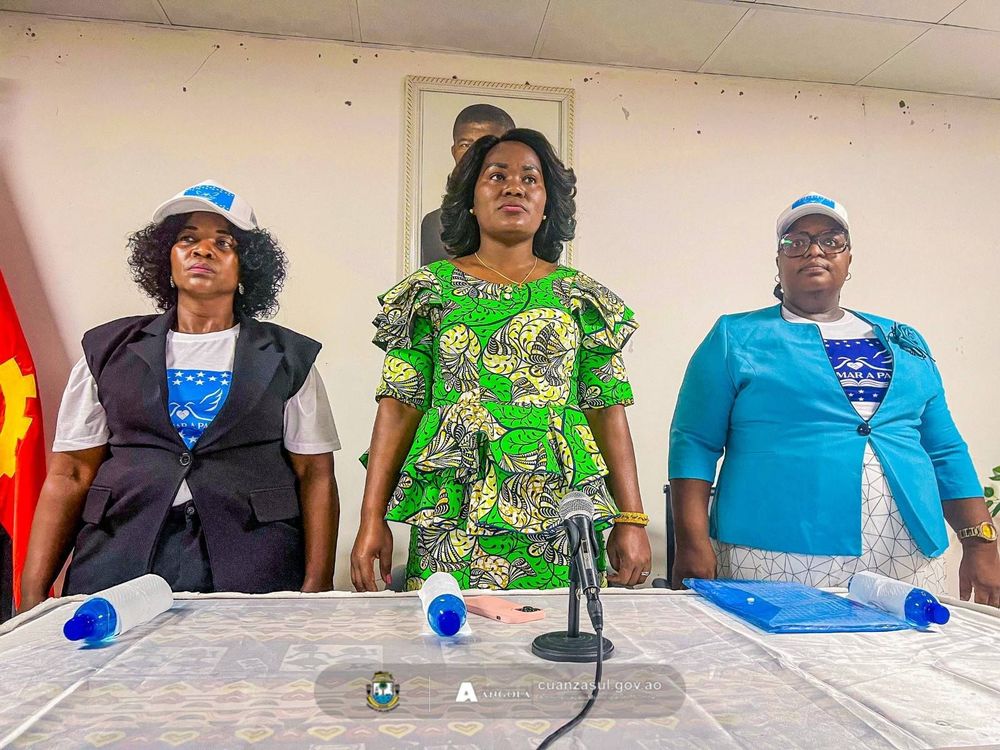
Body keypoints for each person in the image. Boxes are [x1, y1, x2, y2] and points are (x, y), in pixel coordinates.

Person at [353, 129, 651, 592]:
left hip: (560, 512)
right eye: (497, 176)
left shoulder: (580, 296)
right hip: (453, 513)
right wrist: (372, 518)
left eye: (530, 178)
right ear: (471, 200)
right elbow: (399, 408)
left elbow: (606, 408)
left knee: (561, 632)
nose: (515, 187)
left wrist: (630, 518)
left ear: (547, 204)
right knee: (449, 635)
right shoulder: (429, 291)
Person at [19, 180, 341, 609]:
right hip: (119, 556)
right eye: (188, 239)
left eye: (223, 243)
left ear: (247, 268)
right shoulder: (107, 351)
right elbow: (71, 473)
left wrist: (317, 584)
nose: (202, 250)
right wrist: (33, 589)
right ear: (165, 261)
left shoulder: (289, 357)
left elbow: (315, 475)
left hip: (255, 562)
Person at [668, 192, 1000, 607]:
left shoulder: (904, 339)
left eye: (831, 240)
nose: (814, 251)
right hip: (776, 549)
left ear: (848, 258)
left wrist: (981, 543)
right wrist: (692, 543)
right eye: (796, 242)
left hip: (908, 555)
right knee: (779, 648)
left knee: (907, 649)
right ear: (778, 261)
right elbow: (694, 442)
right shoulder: (735, 337)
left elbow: (945, 449)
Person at [420, 103, 515, 265]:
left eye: (489, 144)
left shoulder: (527, 216)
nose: (475, 153)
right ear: (454, 151)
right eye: (465, 145)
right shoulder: (434, 224)